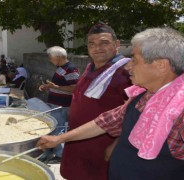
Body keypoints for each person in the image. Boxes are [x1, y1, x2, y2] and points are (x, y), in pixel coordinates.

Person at [37, 27, 184, 179]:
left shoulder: (180, 109)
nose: (127, 66)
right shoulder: (142, 96)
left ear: (161, 65)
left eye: (134, 60)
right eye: (92, 44)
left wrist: (114, 145)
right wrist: (60, 138)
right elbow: (106, 121)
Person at [39, 23, 132, 179]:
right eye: (92, 44)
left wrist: (116, 144)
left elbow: (134, 113)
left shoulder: (126, 72)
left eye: (104, 42)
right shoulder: (90, 67)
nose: (97, 48)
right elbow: (79, 91)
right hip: (76, 140)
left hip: (100, 145)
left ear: (117, 45)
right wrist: (56, 87)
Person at [36, 46, 79, 163]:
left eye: (50, 58)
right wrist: (48, 86)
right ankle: (52, 152)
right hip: (55, 104)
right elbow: (57, 85)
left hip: (62, 105)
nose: (50, 60)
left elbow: (76, 88)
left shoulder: (71, 68)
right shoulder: (61, 68)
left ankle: (60, 156)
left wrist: (56, 87)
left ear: (58, 57)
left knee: (58, 129)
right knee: (54, 128)